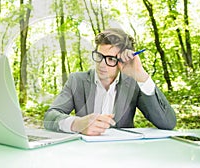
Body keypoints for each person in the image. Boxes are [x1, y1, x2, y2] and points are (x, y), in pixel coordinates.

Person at [43, 28, 176, 136]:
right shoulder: (77, 80)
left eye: (111, 59)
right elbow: (50, 117)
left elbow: (168, 123)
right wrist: (76, 124)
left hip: (122, 155)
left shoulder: (133, 84)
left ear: (123, 60)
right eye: (99, 56)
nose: (102, 64)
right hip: (85, 153)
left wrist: (141, 76)